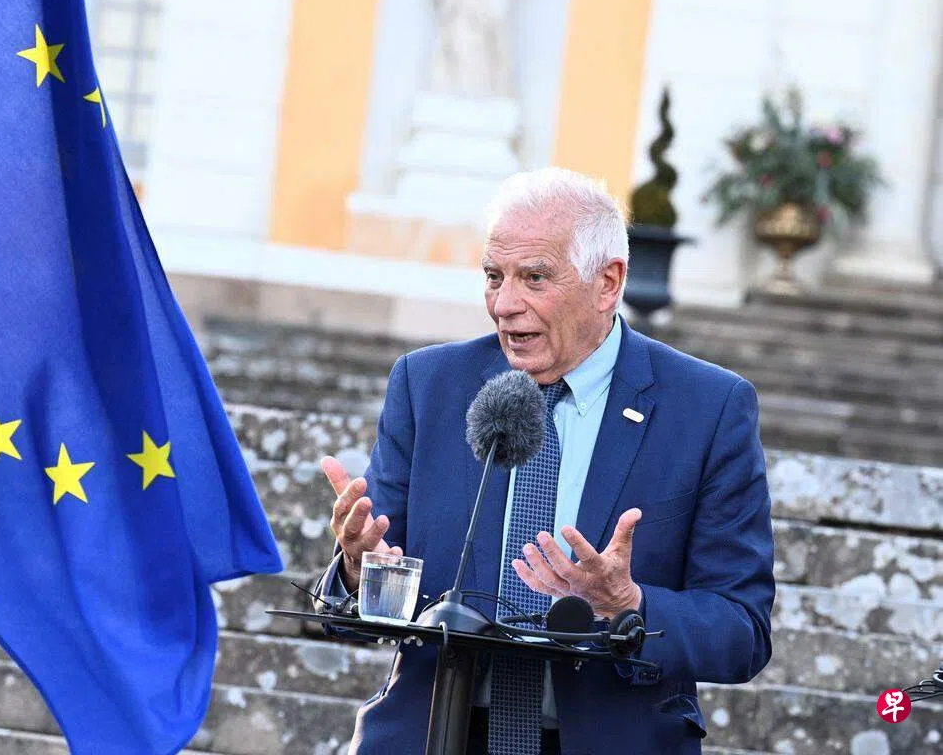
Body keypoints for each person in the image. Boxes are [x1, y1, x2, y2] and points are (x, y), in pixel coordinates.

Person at [314, 167, 775, 755]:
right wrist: (360, 571)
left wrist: (629, 605)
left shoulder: (709, 408)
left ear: (607, 283)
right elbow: (361, 602)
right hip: (431, 733)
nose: (504, 305)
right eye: (493, 276)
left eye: (534, 277)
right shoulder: (428, 385)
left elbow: (741, 632)